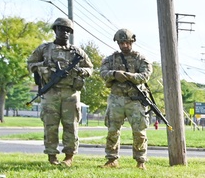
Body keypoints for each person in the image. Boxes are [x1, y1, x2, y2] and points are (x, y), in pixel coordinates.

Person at [26, 17, 94, 166]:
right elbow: (30, 64)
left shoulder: (77, 52)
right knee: (50, 125)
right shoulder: (44, 49)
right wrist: (43, 66)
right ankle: (52, 156)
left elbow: (90, 69)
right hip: (50, 92)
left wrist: (80, 70)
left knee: (71, 126)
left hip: (70, 93)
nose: (65, 33)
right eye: (62, 29)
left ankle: (69, 157)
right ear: (55, 30)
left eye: (68, 31)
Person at [99, 28, 153, 169]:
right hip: (116, 99)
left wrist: (128, 76)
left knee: (139, 132)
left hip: (134, 100)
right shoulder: (111, 59)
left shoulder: (140, 59)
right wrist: (114, 74)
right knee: (112, 130)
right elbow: (103, 72)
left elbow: (145, 75)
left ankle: (140, 161)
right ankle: (111, 159)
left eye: (127, 42)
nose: (124, 45)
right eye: (121, 43)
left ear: (132, 42)